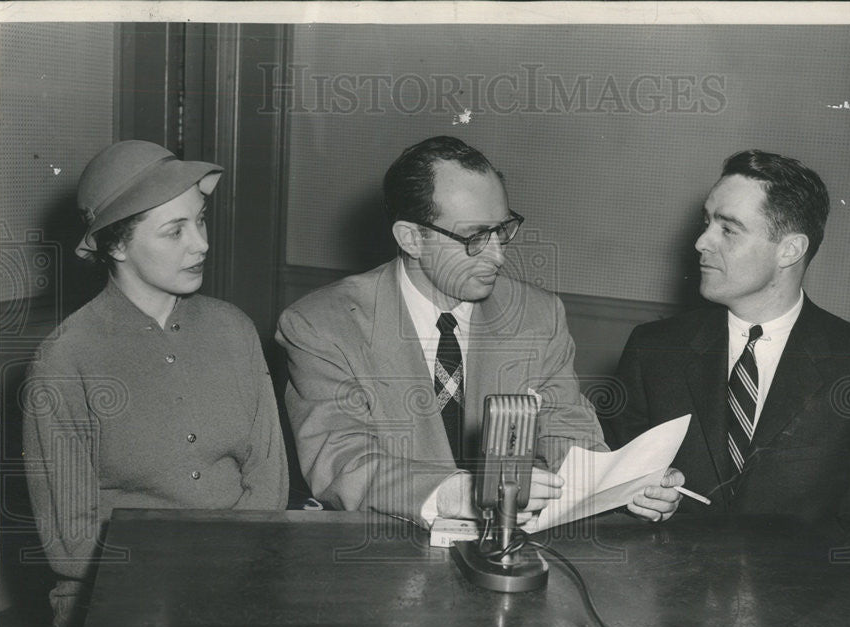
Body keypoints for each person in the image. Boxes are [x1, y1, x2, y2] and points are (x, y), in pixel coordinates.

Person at [276, 135, 683, 527]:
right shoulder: (321, 324)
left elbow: (566, 434)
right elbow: (341, 461)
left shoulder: (538, 316)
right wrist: (458, 494)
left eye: (502, 230)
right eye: (474, 238)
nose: (498, 255)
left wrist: (622, 485)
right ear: (412, 238)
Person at [610, 149, 850, 580]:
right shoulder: (654, 350)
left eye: (729, 229)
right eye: (707, 222)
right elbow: (607, 501)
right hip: (667, 613)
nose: (702, 241)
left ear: (790, 249)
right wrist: (637, 502)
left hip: (804, 626)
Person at [23, 140, 289, 627]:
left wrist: (235, 579)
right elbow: (71, 541)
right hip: (116, 604)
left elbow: (268, 481)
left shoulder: (233, 329)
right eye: (175, 231)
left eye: (201, 220)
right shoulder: (65, 360)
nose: (201, 244)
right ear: (117, 245)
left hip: (238, 583)